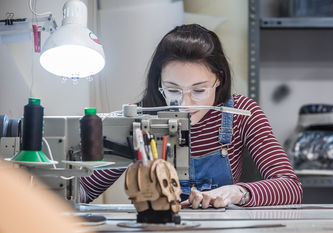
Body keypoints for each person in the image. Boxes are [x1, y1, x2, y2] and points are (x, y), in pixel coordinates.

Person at [80, 24, 303, 208]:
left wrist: (237, 192)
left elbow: (291, 188)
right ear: (159, 83)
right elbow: (84, 191)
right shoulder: (140, 118)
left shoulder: (241, 114)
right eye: (173, 90)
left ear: (219, 80)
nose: (185, 104)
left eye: (198, 90)